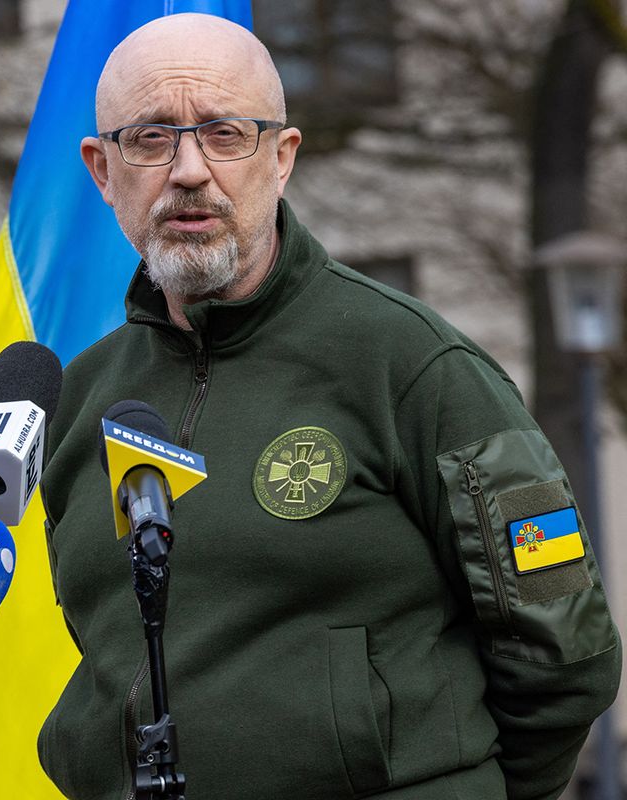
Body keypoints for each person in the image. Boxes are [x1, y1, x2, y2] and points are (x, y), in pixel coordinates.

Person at [37, 13, 620, 800]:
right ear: (102, 171)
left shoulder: (411, 365)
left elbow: (564, 650)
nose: (188, 170)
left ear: (281, 159)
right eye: (149, 138)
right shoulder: (78, 400)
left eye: (224, 133)